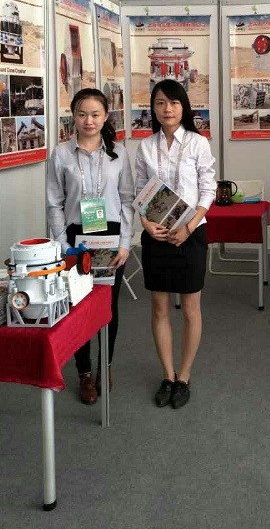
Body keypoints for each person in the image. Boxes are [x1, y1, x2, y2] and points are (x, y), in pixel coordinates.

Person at [46, 88, 135, 405]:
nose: (89, 121)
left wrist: (125, 243)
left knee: (108, 306)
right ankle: (84, 372)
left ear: (106, 116)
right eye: (82, 114)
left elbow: (127, 200)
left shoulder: (118, 153)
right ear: (73, 116)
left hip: (110, 237)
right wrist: (63, 245)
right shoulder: (61, 154)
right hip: (75, 238)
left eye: (96, 114)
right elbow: (54, 203)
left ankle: (104, 366)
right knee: (79, 306)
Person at [134, 79, 216, 409]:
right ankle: (167, 375)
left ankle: (184, 376)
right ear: (153, 109)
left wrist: (189, 227)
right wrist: (145, 223)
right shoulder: (145, 146)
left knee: (191, 309)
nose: (167, 109)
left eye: (174, 103)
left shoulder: (198, 143)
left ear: (184, 107)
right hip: (156, 235)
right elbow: (139, 191)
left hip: (190, 235)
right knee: (159, 308)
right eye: (160, 103)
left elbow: (208, 190)